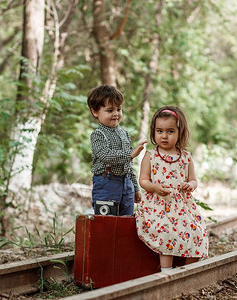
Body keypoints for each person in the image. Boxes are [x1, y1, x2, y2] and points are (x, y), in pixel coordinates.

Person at [135, 106, 208, 272]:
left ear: (179, 132)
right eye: (159, 131)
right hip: (157, 207)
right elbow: (143, 180)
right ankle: (166, 272)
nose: (164, 136)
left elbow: (193, 180)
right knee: (166, 232)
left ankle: (188, 271)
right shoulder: (151, 156)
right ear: (154, 132)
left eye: (170, 131)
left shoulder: (185, 157)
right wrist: (154, 187)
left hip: (181, 207)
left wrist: (190, 186)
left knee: (197, 233)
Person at [87, 85, 147, 216]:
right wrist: (130, 154)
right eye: (109, 110)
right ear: (95, 112)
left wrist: (136, 188)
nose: (116, 114)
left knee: (126, 220)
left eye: (119, 109)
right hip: (107, 183)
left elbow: (129, 165)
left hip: (127, 184)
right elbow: (105, 155)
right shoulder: (98, 134)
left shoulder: (124, 134)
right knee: (106, 221)